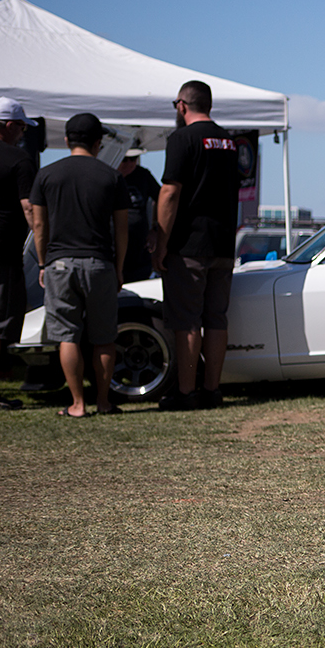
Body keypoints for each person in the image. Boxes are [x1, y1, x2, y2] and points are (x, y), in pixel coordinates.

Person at [29, 113, 129, 417]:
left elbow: (39, 225)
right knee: (104, 337)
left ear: (66, 140)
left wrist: (44, 262)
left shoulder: (47, 174)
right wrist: (119, 267)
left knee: (67, 336)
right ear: (98, 143)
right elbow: (121, 229)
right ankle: (103, 401)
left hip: (59, 263)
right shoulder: (111, 176)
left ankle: (77, 404)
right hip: (99, 263)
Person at [152, 81, 240, 410]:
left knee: (187, 321)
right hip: (223, 244)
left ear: (181, 106)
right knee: (216, 318)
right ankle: (212, 390)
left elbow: (170, 192)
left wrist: (161, 241)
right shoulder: (229, 142)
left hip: (189, 245)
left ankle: (186, 392)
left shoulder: (182, 138)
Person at [0, 97, 39, 410]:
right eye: (22, 126)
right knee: (2, 321)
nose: (24, 132)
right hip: (3, 252)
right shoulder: (19, 159)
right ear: (9, 125)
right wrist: (44, 246)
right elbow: (29, 207)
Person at [117, 146, 160, 282]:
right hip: (114, 250)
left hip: (139, 251)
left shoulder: (143, 175)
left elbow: (162, 199)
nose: (129, 164)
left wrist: (155, 229)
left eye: (133, 159)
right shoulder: (107, 177)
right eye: (125, 160)